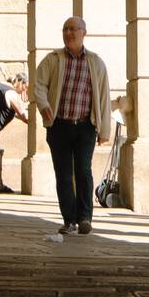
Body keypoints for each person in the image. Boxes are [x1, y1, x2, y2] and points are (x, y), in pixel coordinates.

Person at [33, 17, 111, 236]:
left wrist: (104, 130)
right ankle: (69, 220)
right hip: (59, 126)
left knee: (83, 171)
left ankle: (85, 218)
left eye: (73, 29)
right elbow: (38, 85)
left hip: (85, 126)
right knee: (64, 174)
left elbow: (104, 97)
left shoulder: (96, 63)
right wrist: (44, 105)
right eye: (65, 29)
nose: (68, 33)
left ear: (83, 32)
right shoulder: (53, 59)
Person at [0, 73, 29, 192]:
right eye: (26, 86)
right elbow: (24, 116)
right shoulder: (13, 94)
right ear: (20, 83)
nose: (25, 91)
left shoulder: (2, 87)